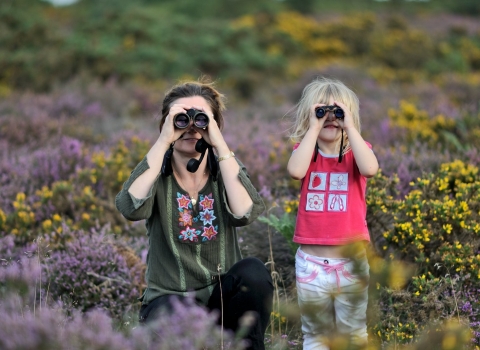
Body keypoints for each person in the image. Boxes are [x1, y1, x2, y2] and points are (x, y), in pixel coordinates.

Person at [115, 79, 273, 350]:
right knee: (172, 322)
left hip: (222, 299)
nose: (191, 126)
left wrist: (221, 147)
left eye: (200, 119)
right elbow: (130, 206)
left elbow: (245, 212)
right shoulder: (156, 173)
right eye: (180, 118)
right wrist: (164, 140)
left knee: (254, 273)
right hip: (169, 301)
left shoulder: (224, 169)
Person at [287, 77, 379, 349]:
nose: (331, 118)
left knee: (353, 334)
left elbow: (370, 169)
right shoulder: (305, 153)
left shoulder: (357, 153)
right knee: (316, 334)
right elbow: (295, 171)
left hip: (351, 262)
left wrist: (349, 126)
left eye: (338, 112)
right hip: (312, 264)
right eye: (322, 112)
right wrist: (313, 129)